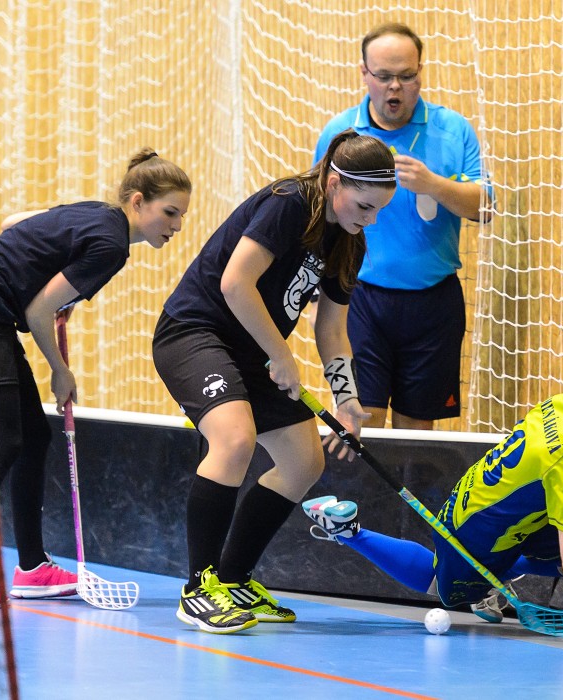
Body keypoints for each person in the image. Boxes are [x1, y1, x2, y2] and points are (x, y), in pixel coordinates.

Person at [0, 149, 192, 608]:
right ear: (138, 201)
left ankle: (31, 568)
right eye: (170, 212)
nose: (176, 225)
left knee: (32, 438)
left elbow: (13, 223)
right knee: (5, 440)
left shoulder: (94, 213)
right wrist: (60, 371)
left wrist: (44, 268)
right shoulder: (110, 247)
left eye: (182, 216)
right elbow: (38, 310)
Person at [153, 129, 396, 634]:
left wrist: (347, 401)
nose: (369, 219)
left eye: (378, 210)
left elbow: (331, 328)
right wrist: (281, 354)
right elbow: (234, 283)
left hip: (254, 352)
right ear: (333, 182)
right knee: (235, 439)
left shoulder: (349, 242)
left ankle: (234, 577)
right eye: (364, 205)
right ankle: (199, 588)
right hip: (196, 332)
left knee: (304, 460)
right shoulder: (291, 203)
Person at [302, 348, 563, 650]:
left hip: (508, 511)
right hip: (474, 529)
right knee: (442, 588)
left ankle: (490, 580)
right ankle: (348, 531)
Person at [313, 22, 491, 430]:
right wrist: (312, 296)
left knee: (418, 431)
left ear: (420, 72)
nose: (396, 87)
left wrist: (433, 184)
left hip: (433, 302)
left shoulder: (452, 130)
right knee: (363, 422)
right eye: (384, 76)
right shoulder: (341, 134)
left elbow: (486, 208)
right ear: (364, 74)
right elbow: (317, 215)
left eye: (407, 76)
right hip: (359, 299)